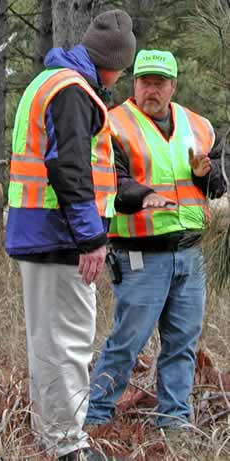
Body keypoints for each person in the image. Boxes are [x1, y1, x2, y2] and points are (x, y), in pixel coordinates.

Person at [5, 10, 136, 461]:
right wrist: (91, 240)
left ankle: (53, 435)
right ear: (114, 63)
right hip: (61, 237)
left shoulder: (50, 82)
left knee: (49, 341)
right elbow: (71, 169)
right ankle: (68, 446)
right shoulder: (72, 92)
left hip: (41, 233)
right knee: (70, 341)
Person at [85, 49, 227, 430]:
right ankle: (96, 417)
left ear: (173, 86)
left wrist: (205, 175)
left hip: (191, 252)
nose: (152, 90)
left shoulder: (199, 126)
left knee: (182, 344)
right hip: (140, 254)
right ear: (135, 84)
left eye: (159, 83)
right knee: (127, 342)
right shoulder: (112, 125)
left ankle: (175, 421)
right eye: (145, 81)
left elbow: (217, 187)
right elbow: (112, 185)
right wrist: (145, 196)